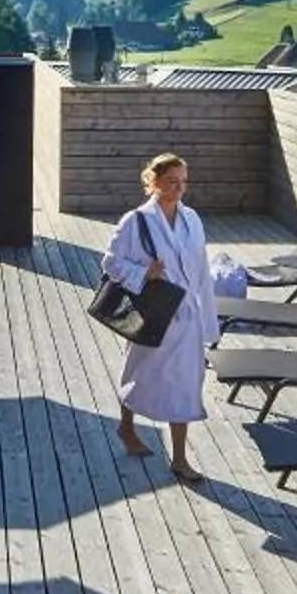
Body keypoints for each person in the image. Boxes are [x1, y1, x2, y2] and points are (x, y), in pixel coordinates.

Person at [102, 151, 218, 484]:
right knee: (137, 371)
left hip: (187, 316)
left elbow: (202, 270)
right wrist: (144, 273)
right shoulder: (135, 222)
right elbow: (110, 263)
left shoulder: (192, 218)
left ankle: (179, 459)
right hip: (153, 311)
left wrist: (209, 322)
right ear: (153, 182)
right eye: (172, 182)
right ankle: (126, 425)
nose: (179, 188)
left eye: (183, 182)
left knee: (184, 387)